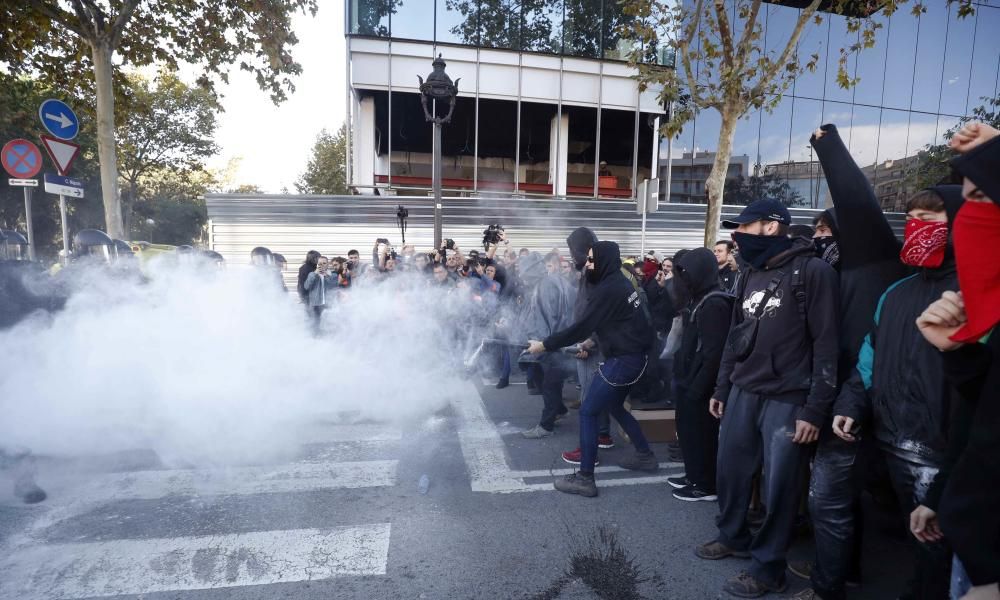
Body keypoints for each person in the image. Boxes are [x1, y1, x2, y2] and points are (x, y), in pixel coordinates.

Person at [787, 124, 913, 600]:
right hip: (842, 400)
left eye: (825, 229)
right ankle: (846, 568)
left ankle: (830, 584)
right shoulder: (836, 276)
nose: (820, 238)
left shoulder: (873, 260)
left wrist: (828, 146)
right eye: (817, 230)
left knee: (832, 496)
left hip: (864, 400)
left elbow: (858, 204)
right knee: (845, 496)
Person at [697, 198, 839, 598]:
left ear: (771, 227)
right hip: (743, 391)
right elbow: (734, 336)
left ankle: (768, 569)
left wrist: (815, 409)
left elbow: (828, 345)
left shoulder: (814, 272)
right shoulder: (748, 274)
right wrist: (723, 387)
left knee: (780, 488)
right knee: (730, 470)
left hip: (789, 399)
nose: (737, 236)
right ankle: (733, 536)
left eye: (744, 227)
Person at [830, 183, 964, 600]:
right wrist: (852, 402)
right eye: (911, 220)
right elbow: (870, 357)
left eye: (930, 220)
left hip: (947, 454)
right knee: (917, 544)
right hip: (891, 442)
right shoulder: (895, 293)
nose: (916, 228)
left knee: (944, 552)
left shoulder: (978, 292)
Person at [915, 121, 1000, 600]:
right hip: (974, 553)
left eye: (983, 199)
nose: (970, 218)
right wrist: (959, 352)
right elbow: (982, 421)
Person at [527, 240, 657, 497]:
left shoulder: (609, 288)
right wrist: (590, 341)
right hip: (632, 356)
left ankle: (585, 477)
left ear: (605, 261)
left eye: (591, 260)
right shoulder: (619, 282)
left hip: (624, 361)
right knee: (615, 406)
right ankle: (645, 456)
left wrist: (545, 345)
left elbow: (582, 325)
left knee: (588, 412)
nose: (586, 264)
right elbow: (615, 323)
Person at [669, 247, 733, 502]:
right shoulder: (701, 298)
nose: (684, 279)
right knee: (688, 433)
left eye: (687, 273)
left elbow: (713, 354)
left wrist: (697, 388)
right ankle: (694, 475)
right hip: (691, 380)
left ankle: (705, 484)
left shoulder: (714, 303)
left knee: (702, 435)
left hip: (701, 384)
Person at [559, 228, 617, 466]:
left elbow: (598, 315)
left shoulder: (595, 276)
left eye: (573, 250)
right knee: (594, 397)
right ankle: (601, 435)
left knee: (588, 401)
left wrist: (588, 344)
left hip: (592, 347)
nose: (571, 255)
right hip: (591, 343)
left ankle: (587, 452)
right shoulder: (592, 272)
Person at [519, 251, 576, 439]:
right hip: (559, 341)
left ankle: (546, 425)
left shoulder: (546, 286)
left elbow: (551, 317)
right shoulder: (553, 281)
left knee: (550, 384)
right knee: (551, 381)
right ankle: (559, 410)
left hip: (555, 343)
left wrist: (544, 344)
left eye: (525, 273)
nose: (523, 277)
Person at [303, 256, 336, 333]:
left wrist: (327, 276)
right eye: (320, 263)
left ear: (328, 264)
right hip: (316, 305)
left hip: (328, 305)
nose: (322, 265)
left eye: (324, 263)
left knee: (328, 326)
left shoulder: (332, 274)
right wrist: (315, 274)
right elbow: (306, 287)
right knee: (315, 326)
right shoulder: (312, 274)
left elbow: (334, 287)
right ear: (317, 264)